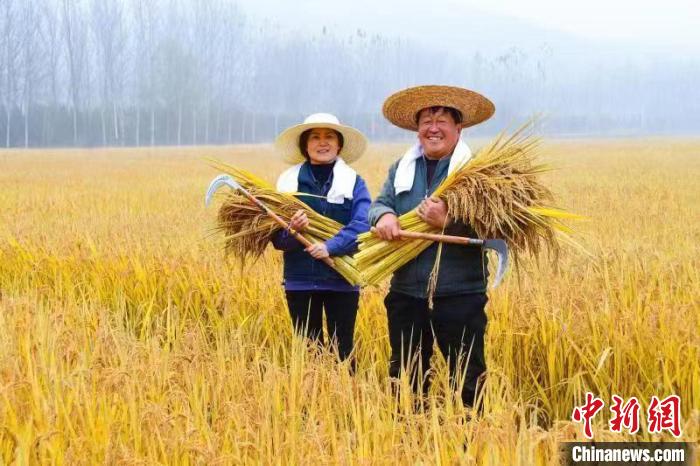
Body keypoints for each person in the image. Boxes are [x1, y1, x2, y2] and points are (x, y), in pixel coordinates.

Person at [368, 85, 496, 407]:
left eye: (441, 120)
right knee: (406, 379)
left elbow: (499, 228)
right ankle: (410, 442)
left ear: (459, 127)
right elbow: (379, 203)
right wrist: (383, 216)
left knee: (468, 379)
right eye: (426, 120)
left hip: (460, 294)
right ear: (417, 129)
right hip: (406, 293)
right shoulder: (401, 169)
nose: (433, 128)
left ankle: (473, 443)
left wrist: (448, 223)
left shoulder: (478, 173)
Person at [271, 113, 371, 363]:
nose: (322, 142)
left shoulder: (354, 182)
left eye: (329, 137)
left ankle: (346, 399)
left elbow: (363, 224)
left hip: (342, 280)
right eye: (315, 137)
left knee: (343, 353)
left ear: (339, 145)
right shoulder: (287, 185)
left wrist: (330, 247)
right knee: (308, 355)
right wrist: (293, 230)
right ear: (305, 145)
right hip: (300, 281)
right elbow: (276, 239)